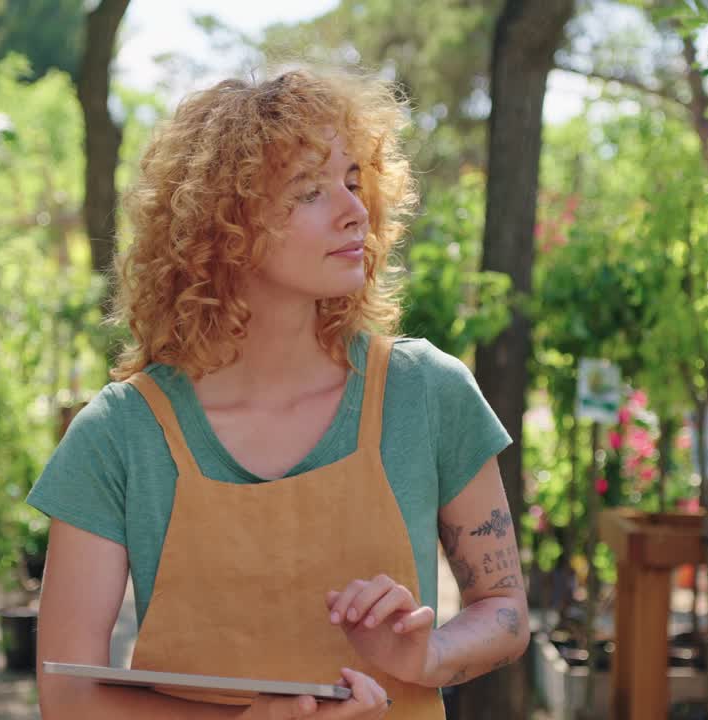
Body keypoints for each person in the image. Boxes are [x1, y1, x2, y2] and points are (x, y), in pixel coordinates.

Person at [28, 65, 529, 719]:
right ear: (223, 226)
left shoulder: (428, 394)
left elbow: (506, 612)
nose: (355, 211)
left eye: (354, 182)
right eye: (311, 191)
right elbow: (67, 695)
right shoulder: (119, 436)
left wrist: (423, 656)